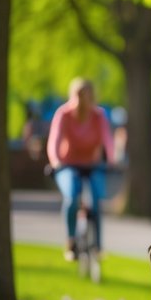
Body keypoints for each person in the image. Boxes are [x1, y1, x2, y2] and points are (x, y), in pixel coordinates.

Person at [46, 77, 114, 261]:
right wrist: (55, 160)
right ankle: (71, 241)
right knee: (72, 196)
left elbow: (107, 140)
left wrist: (111, 159)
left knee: (96, 199)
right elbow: (54, 141)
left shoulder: (99, 116)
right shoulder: (64, 115)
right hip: (67, 164)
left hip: (91, 164)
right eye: (79, 95)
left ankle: (98, 246)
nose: (82, 100)